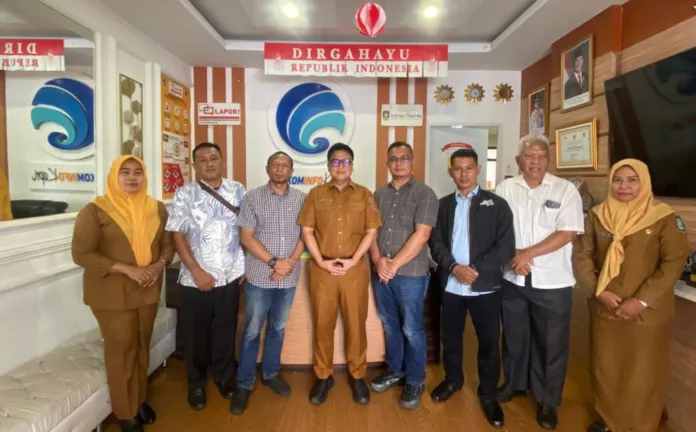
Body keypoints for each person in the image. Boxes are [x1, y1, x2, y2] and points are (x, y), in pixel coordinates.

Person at [572, 159, 690, 432]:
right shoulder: (599, 215)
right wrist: (598, 291)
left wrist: (641, 301)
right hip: (605, 306)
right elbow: (582, 256)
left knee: (642, 372)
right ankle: (607, 421)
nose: (623, 186)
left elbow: (673, 262)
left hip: (646, 312)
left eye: (632, 180)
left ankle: (642, 424)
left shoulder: (663, 217)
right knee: (606, 368)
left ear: (644, 183)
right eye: (617, 179)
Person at [72, 156, 173, 432]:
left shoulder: (156, 208)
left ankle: (138, 400)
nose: (132, 177)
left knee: (141, 345)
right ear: (114, 176)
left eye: (138, 172)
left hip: (147, 287)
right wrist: (127, 269)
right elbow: (81, 254)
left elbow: (167, 245)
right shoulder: (95, 211)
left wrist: (158, 265)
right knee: (121, 351)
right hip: (112, 292)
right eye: (125, 172)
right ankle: (125, 412)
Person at [494, 133, 584, 430]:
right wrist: (514, 257)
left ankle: (548, 401)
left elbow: (568, 232)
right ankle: (515, 384)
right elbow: (497, 229)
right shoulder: (506, 188)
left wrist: (527, 254)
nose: (535, 162)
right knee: (514, 336)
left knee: (551, 343)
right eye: (529, 156)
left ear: (549, 160)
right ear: (519, 160)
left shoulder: (565, 190)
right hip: (512, 278)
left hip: (552, 282)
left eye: (541, 156)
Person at [429, 149, 515, 428]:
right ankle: (453, 379)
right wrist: (454, 267)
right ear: (450, 172)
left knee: (488, 341)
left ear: (478, 170)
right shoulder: (443, 205)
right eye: (458, 168)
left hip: (485, 286)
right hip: (451, 286)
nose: (463, 173)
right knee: (451, 337)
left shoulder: (497, 204)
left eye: (469, 168)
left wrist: (474, 269)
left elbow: (505, 246)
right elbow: (436, 242)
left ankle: (488, 394)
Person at [298, 142, 382, 405]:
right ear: (328, 166)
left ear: (352, 166)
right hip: (321, 269)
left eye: (345, 161)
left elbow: (371, 231)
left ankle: (357, 376)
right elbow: (307, 231)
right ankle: (324, 376)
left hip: (354, 269)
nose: (340, 166)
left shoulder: (365, 195)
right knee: (322, 324)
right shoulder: (315, 194)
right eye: (335, 161)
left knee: (356, 324)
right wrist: (320, 261)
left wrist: (354, 260)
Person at [166, 142, 246, 411]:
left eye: (214, 158)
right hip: (195, 279)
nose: (209, 163)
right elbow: (177, 235)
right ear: (194, 165)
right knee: (195, 333)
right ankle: (196, 382)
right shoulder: (184, 194)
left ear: (222, 161)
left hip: (230, 275)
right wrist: (197, 271)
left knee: (225, 329)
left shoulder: (238, 190)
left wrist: (243, 266)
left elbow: (246, 230)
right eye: (202, 160)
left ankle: (224, 377)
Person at [231, 152, 306, 414]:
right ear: (267, 169)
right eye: (275, 165)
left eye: (285, 165)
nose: (280, 169)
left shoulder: (302, 199)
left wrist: (289, 264)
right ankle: (244, 383)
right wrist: (275, 263)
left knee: (278, 328)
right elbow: (246, 237)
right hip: (260, 277)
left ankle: (271, 373)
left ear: (291, 170)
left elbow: (306, 235)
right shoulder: (252, 197)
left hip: (288, 278)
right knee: (252, 331)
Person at [369, 142, 438, 410]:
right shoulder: (378, 194)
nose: (399, 163)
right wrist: (378, 261)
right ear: (387, 162)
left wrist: (393, 264)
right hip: (382, 272)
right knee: (390, 324)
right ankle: (395, 371)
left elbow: (422, 235)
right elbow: (371, 232)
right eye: (394, 159)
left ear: (412, 161)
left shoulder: (425, 193)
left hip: (410, 274)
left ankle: (415, 380)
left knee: (412, 328)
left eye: (404, 158)